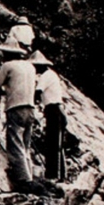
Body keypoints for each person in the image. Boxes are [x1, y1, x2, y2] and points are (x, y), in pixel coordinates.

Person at [0, 44, 38, 192]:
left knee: (15, 144)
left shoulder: (8, 66)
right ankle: (29, 175)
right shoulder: (30, 67)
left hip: (16, 107)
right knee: (25, 145)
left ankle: (24, 180)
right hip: (30, 108)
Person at [30, 51, 67, 182]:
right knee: (53, 142)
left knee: (54, 143)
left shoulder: (46, 76)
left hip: (55, 109)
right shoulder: (50, 75)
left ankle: (55, 175)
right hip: (53, 109)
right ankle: (57, 174)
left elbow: (37, 92)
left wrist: (28, 102)